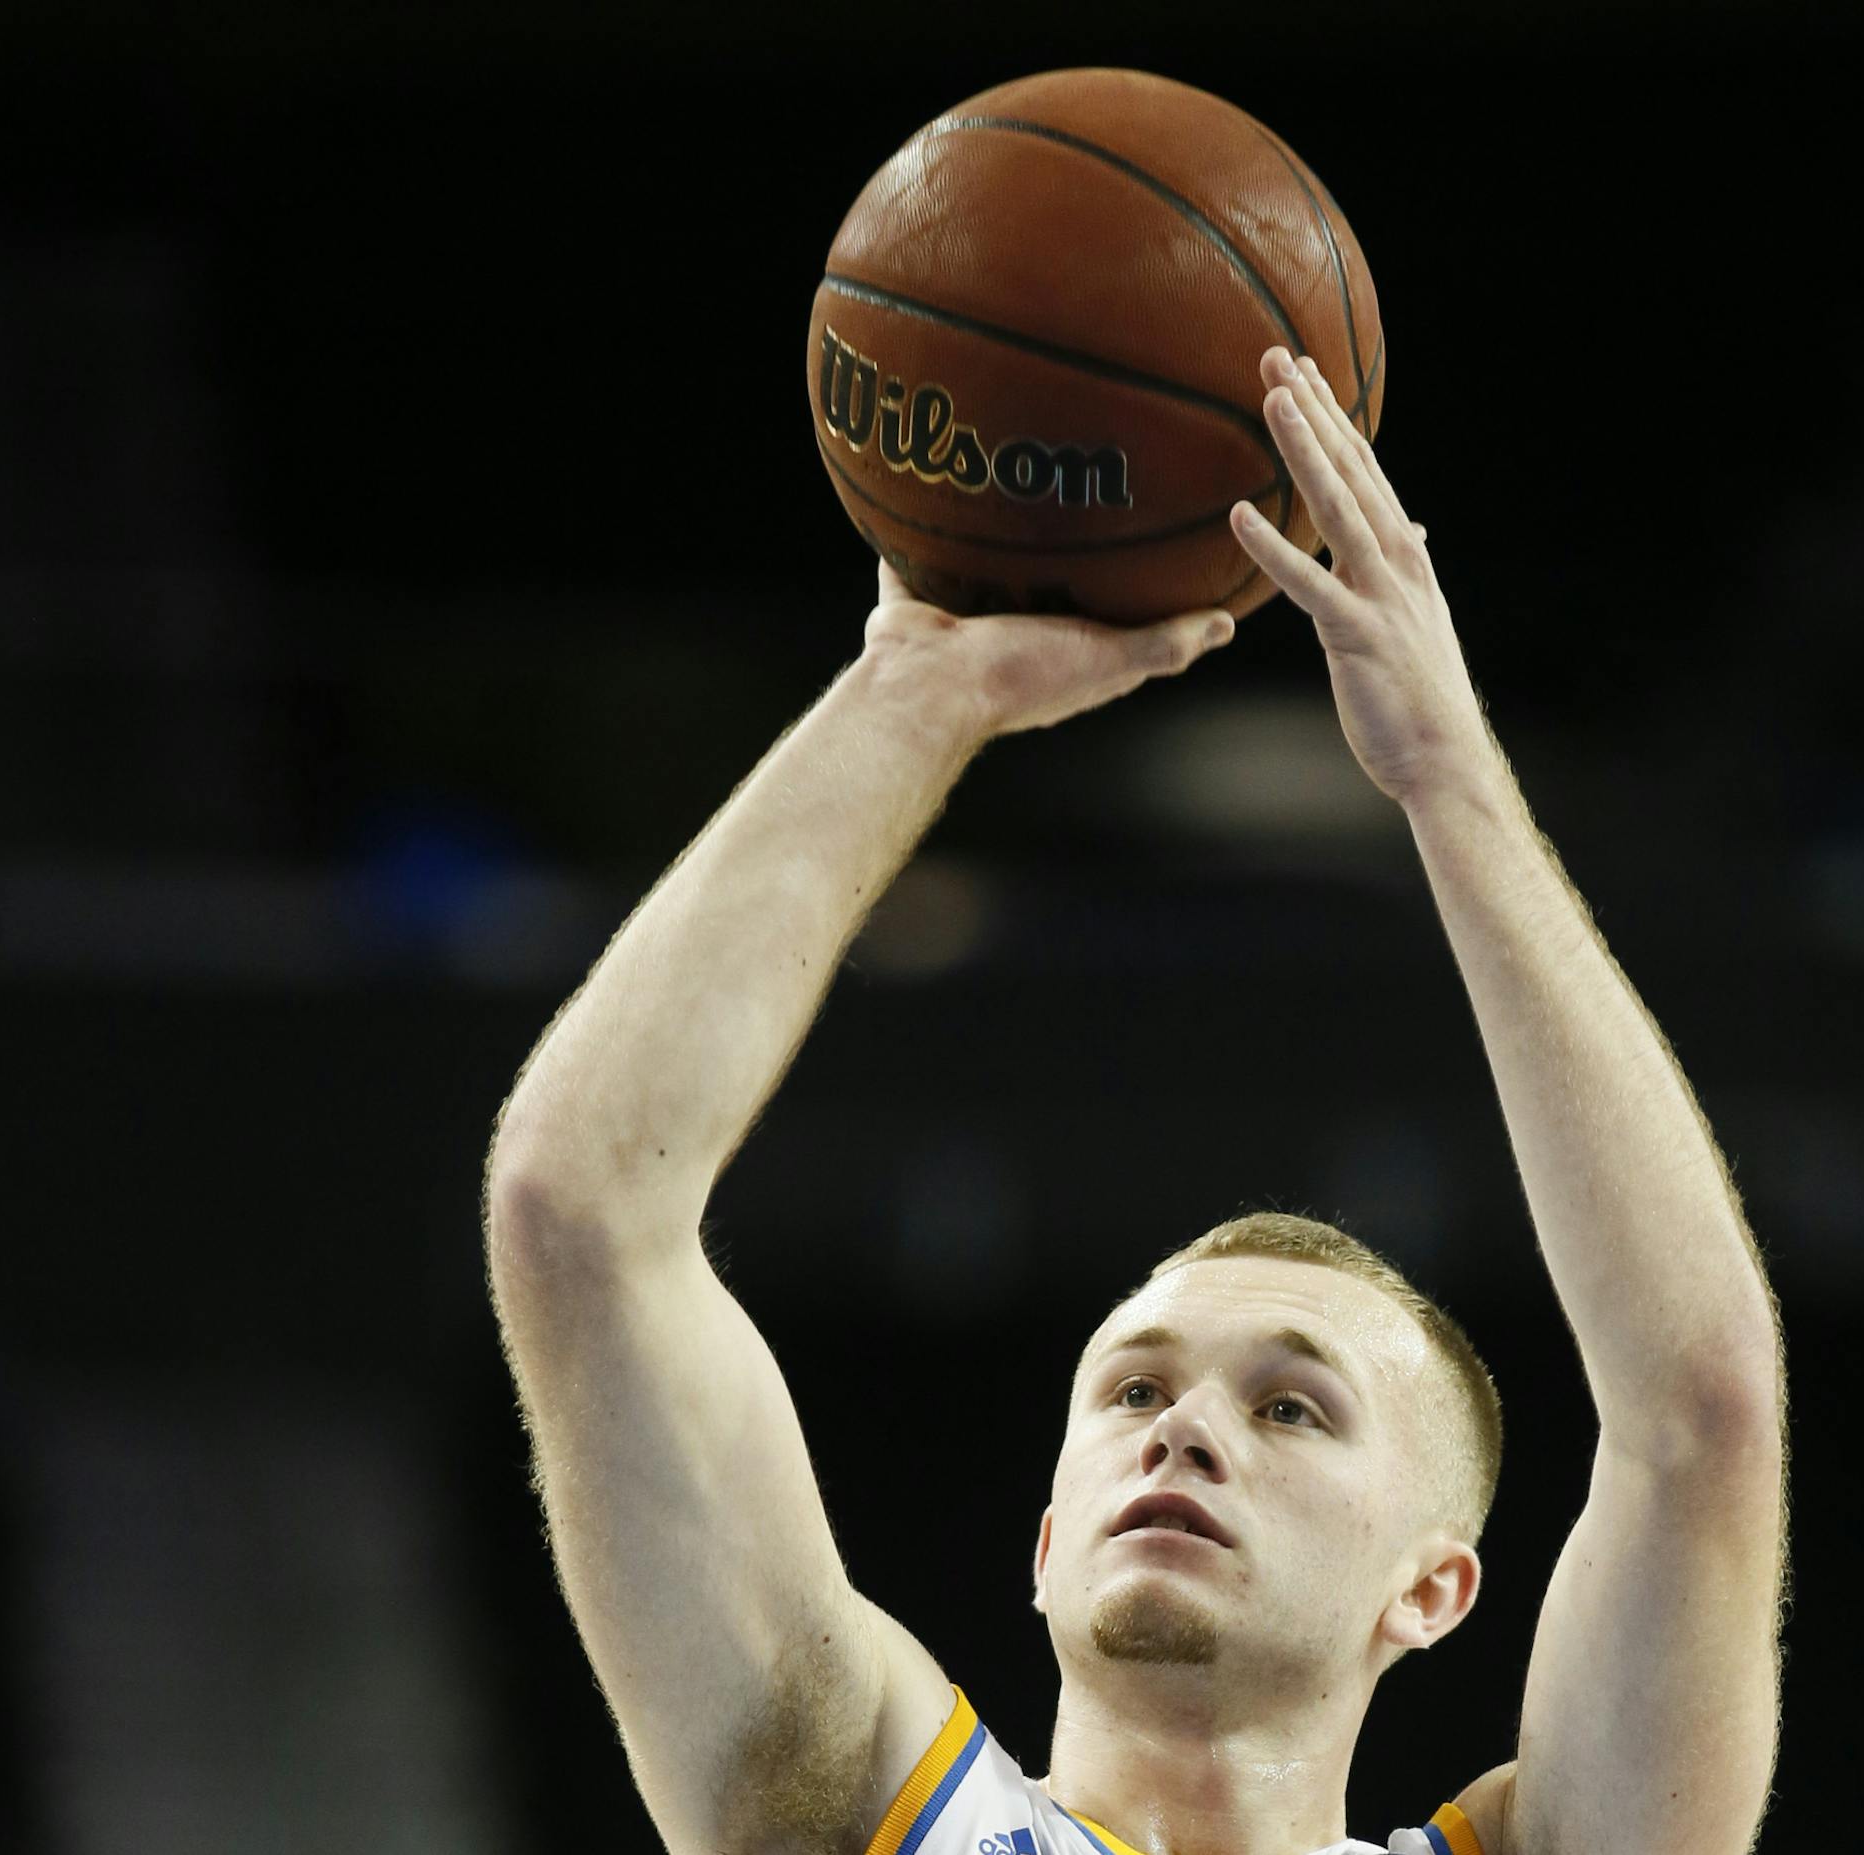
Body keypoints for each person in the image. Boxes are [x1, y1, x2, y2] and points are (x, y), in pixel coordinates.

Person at [482, 343, 1789, 1855]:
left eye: (1293, 1405)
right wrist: (909, 696)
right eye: (1134, 1391)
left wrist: (1451, 776)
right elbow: (578, 1212)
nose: (1182, 1437)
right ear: (1047, 1546)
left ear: (1428, 1589)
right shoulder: (862, 1810)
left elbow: (1701, 1413)